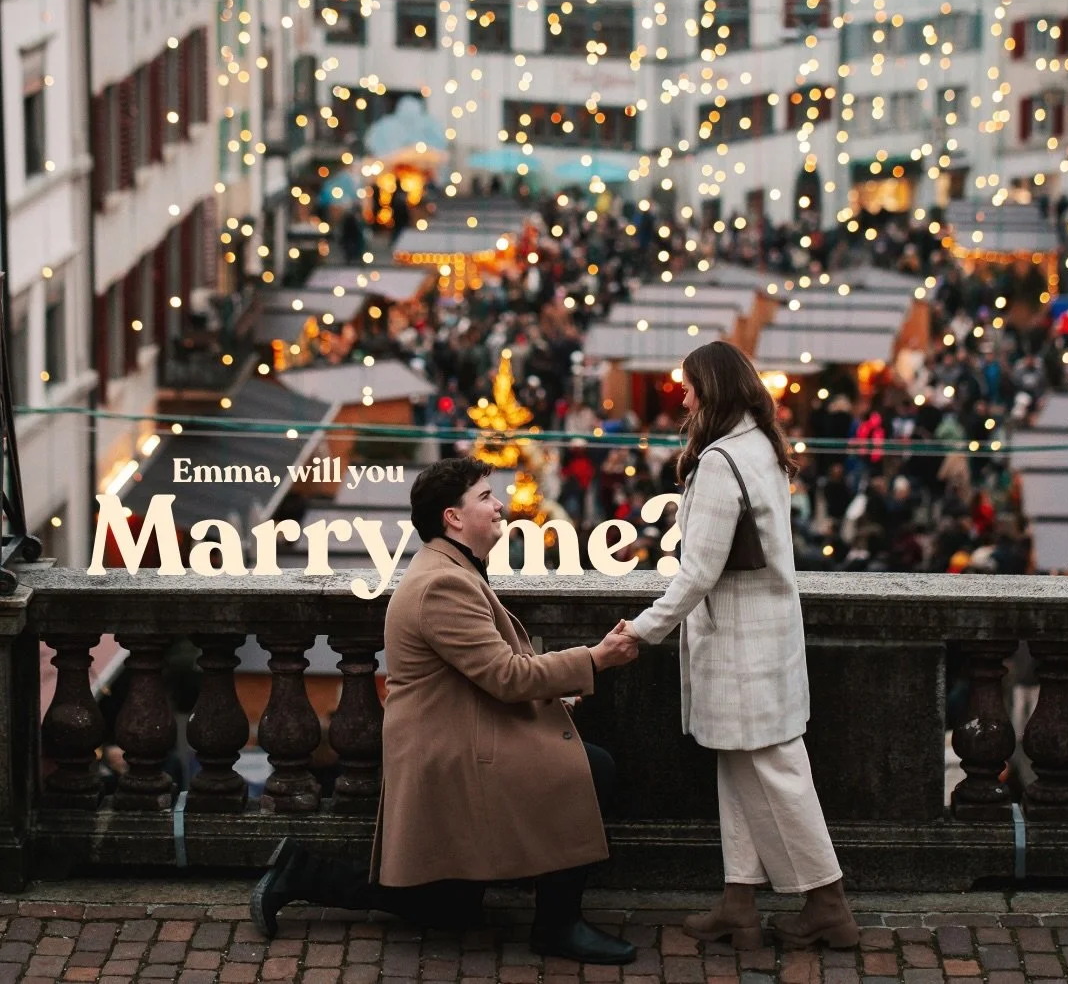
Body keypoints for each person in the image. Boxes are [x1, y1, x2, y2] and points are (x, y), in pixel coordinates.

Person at [250, 457, 638, 965]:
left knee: (444, 904)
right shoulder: (443, 583)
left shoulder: (449, 568)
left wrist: (551, 693)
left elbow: (481, 671)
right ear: (453, 518)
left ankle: (299, 873)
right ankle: (558, 925)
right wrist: (595, 659)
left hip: (455, 733)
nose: (499, 505)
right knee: (588, 768)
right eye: (485, 497)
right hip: (448, 749)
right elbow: (504, 676)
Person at [616, 341, 858, 950]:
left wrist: (643, 629)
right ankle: (739, 901)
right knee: (746, 768)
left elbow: (697, 572)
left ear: (714, 390)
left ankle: (828, 903)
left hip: (740, 649)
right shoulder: (762, 449)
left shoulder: (721, 462)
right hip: (767, 638)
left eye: (691, 386)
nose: (685, 397)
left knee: (777, 772)